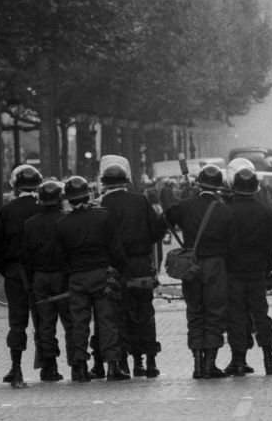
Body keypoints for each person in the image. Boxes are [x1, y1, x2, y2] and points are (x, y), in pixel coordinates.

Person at [55, 176, 129, 382]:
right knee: (107, 320)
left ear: (68, 199)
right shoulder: (103, 217)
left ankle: (79, 365)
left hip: (77, 276)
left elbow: (61, 256)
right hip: (101, 273)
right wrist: (121, 269)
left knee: (79, 322)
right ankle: (113, 364)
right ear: (88, 194)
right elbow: (115, 248)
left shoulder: (62, 224)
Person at [164, 165, 234, 379]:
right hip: (216, 265)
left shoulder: (185, 206)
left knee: (195, 312)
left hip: (191, 265)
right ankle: (210, 363)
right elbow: (232, 242)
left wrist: (184, 199)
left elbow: (166, 218)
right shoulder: (224, 210)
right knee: (214, 313)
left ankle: (196, 363)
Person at [99, 159, 166, 378]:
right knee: (145, 312)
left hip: (114, 268)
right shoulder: (140, 201)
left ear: (104, 183)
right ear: (126, 181)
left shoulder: (100, 205)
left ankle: (124, 361)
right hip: (140, 265)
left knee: (119, 315)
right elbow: (156, 231)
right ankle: (147, 361)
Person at [222, 168, 272, 376]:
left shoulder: (226, 210)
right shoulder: (265, 211)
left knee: (236, 315)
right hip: (257, 270)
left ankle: (238, 359)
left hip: (233, 270)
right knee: (260, 314)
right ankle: (268, 357)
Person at [0, 164, 44, 388]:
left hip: (14, 271)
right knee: (43, 320)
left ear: (15, 186)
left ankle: (16, 366)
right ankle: (49, 365)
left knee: (17, 321)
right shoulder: (44, 208)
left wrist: (6, 270)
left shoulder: (7, 210)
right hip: (41, 271)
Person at [22, 180, 72, 382]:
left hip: (40, 277)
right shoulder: (66, 220)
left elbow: (25, 256)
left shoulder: (30, 224)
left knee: (45, 323)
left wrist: (29, 281)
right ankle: (77, 364)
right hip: (63, 276)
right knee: (71, 321)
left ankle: (48, 366)